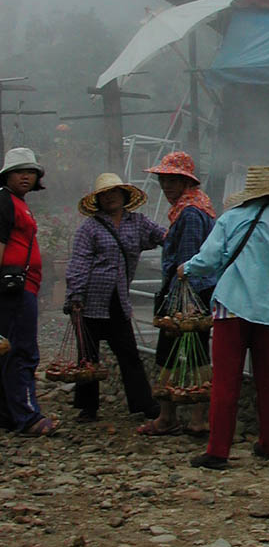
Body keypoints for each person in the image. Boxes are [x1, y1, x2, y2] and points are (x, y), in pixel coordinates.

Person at [178, 165, 269, 470]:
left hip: (231, 308)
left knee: (225, 382)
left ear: (248, 193)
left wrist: (186, 268)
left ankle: (218, 451)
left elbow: (208, 260)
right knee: (268, 380)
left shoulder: (230, 218)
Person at [65, 173, 166, 424]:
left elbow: (163, 236)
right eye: (104, 194)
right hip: (91, 298)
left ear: (124, 195)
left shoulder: (138, 223)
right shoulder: (89, 228)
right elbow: (79, 262)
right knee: (88, 356)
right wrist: (75, 295)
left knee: (128, 352)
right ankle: (88, 408)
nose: (110, 197)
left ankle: (144, 404)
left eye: (114, 192)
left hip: (118, 299)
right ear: (98, 200)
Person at [137, 151, 217, 437]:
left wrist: (179, 300)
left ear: (186, 182)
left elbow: (187, 260)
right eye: (163, 181)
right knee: (194, 352)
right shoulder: (196, 206)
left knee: (174, 352)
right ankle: (189, 417)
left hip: (186, 293)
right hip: (196, 291)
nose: (166, 187)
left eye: (172, 181)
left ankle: (176, 417)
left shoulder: (191, 213)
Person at [0, 147, 59, 436]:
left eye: (30, 172)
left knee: (7, 349)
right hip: (14, 286)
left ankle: (8, 414)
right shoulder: (4, 201)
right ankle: (28, 415)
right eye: (19, 172)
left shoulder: (17, 202)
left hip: (23, 285)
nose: (25, 177)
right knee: (22, 350)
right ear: (7, 175)